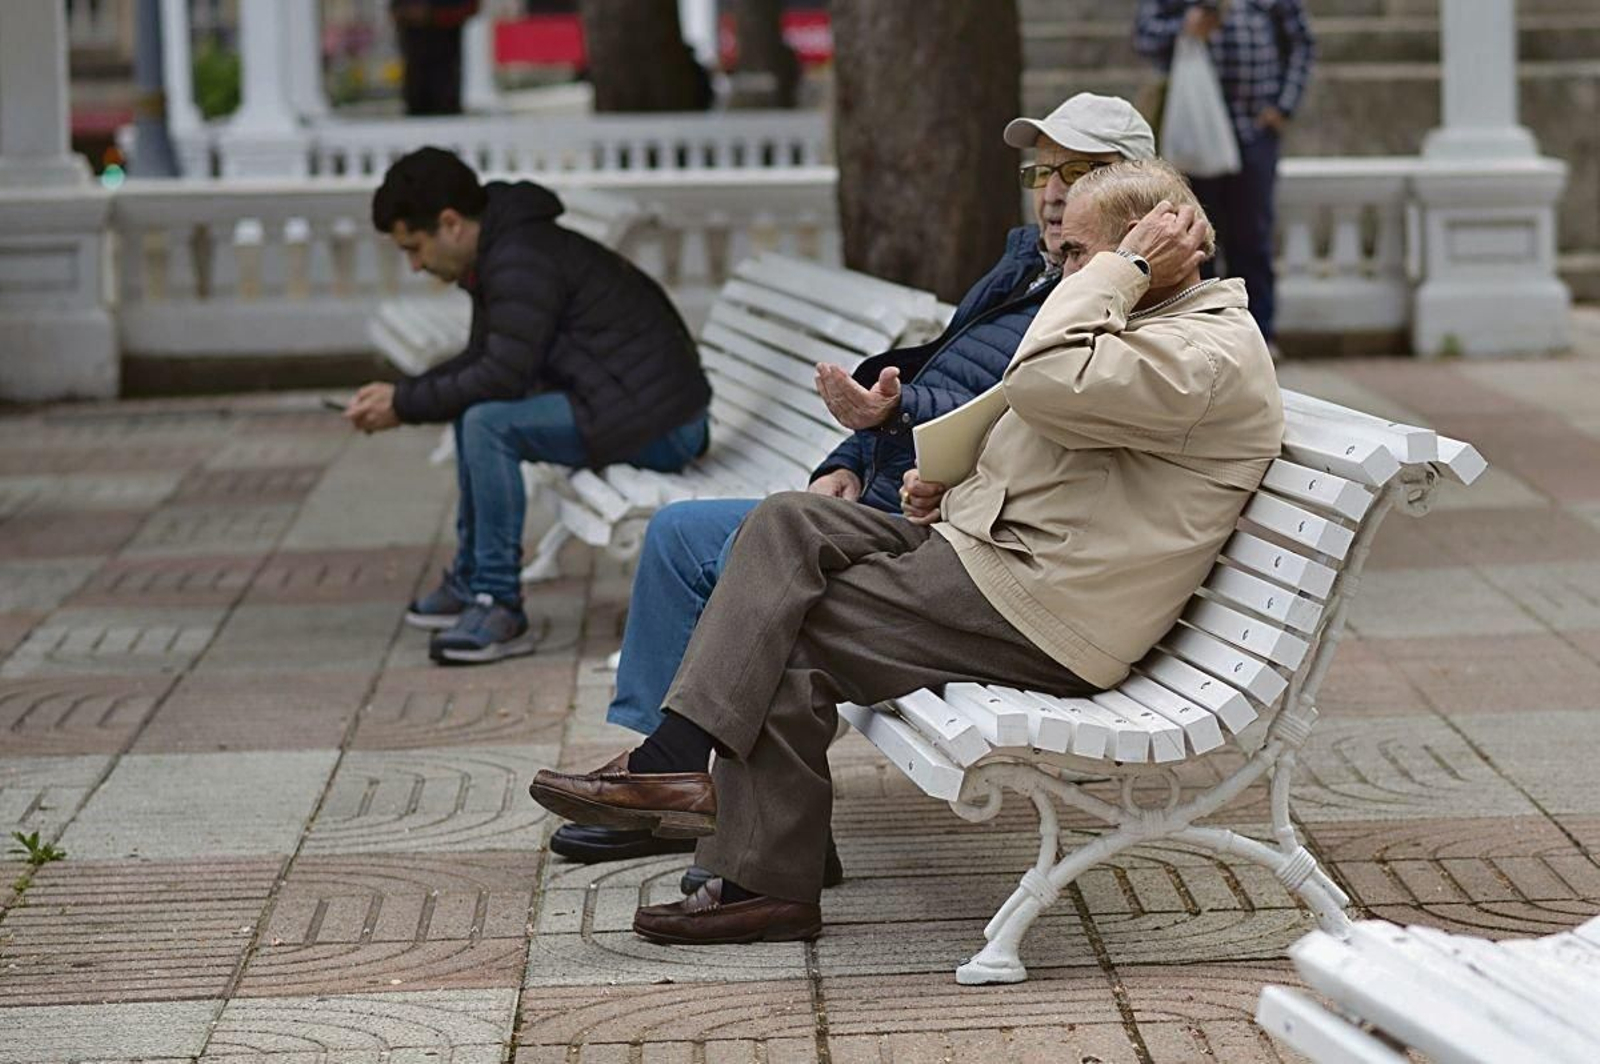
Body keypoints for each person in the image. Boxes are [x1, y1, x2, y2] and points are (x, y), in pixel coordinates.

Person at [530, 158, 1285, 944]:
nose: (1064, 271)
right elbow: (1066, 450)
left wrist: (1119, 269)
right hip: (994, 557)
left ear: (1148, 247)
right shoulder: (1150, 326)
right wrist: (949, 490)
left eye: (1077, 254)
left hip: (1047, 610)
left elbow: (1042, 380)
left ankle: (760, 874)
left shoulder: (1200, 353)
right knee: (788, 521)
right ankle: (681, 764)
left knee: (792, 631)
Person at [546, 93, 1158, 875]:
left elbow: (1021, 406)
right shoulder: (1023, 268)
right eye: (1042, 172)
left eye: (1078, 172)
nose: (1053, 193)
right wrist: (845, 458)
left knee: (755, 580)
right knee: (680, 537)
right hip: (889, 495)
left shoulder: (1111, 300)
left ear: (1135, 187)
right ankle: (672, 780)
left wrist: (897, 418)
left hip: (951, 532)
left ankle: (693, 792)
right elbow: (937, 377)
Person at [345, 147, 711, 665]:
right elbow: (486, 359)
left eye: (415, 247)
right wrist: (400, 394)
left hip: (663, 424)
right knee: (479, 418)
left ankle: (498, 603)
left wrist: (404, 404)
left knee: (487, 424)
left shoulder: (519, 259)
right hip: (627, 404)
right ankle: (474, 579)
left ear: (450, 223)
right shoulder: (503, 249)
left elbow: (502, 375)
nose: (416, 265)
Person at [1133, 0, 1315, 346]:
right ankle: (1202, 338)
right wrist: (1186, 26)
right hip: (1194, 136)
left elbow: (1301, 43)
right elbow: (1144, 36)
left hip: (1254, 133)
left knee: (1253, 240)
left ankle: (1258, 338)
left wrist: (1283, 107)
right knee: (1194, 241)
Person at [391, 0, 479, 116]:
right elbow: (395, 9)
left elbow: (471, 7)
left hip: (445, 79)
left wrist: (433, 14)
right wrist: (406, 12)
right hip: (416, 81)